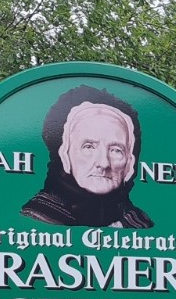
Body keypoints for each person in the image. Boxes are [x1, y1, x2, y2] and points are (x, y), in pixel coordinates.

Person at [21, 85, 154, 228]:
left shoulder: (141, 225)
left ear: (129, 165)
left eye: (116, 150)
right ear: (65, 155)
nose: (104, 163)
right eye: (89, 147)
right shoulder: (34, 220)